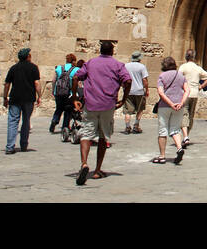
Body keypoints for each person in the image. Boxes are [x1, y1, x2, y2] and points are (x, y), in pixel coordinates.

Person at [71, 41, 130, 185]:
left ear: (100, 50)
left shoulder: (91, 63)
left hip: (90, 104)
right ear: (112, 51)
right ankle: (97, 170)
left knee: (85, 134)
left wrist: (74, 97)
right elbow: (128, 81)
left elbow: (75, 77)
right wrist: (123, 99)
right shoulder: (117, 65)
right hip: (108, 105)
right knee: (103, 136)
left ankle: (84, 164)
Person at [3, 48, 41, 154]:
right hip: (29, 98)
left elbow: (7, 84)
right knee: (26, 121)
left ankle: (10, 146)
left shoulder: (13, 68)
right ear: (28, 57)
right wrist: (39, 96)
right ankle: (24, 144)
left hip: (15, 98)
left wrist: (5, 97)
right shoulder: (33, 68)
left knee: (13, 122)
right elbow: (37, 83)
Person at [153, 56, 187, 165]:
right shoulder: (181, 75)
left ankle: (162, 156)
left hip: (165, 106)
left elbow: (161, 92)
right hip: (179, 106)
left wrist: (170, 103)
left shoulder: (162, 76)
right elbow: (187, 90)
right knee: (175, 129)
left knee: (163, 130)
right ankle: (179, 148)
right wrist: (181, 102)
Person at [178, 50, 207, 146]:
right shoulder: (197, 68)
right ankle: (187, 135)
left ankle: (185, 137)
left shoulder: (183, 67)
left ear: (186, 57)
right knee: (191, 115)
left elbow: (178, 78)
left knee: (184, 114)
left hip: (185, 94)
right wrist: (200, 86)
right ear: (194, 57)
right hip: (195, 94)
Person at [49, 54, 79, 134]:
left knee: (59, 108)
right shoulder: (76, 69)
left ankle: (55, 120)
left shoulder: (59, 68)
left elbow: (54, 80)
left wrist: (53, 90)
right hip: (69, 93)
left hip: (58, 92)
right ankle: (65, 126)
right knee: (68, 110)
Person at [123, 51, 149, 134]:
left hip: (128, 91)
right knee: (140, 109)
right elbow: (144, 79)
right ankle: (136, 125)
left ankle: (127, 127)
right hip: (139, 91)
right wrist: (147, 89)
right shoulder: (142, 67)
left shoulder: (126, 66)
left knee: (127, 110)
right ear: (139, 58)